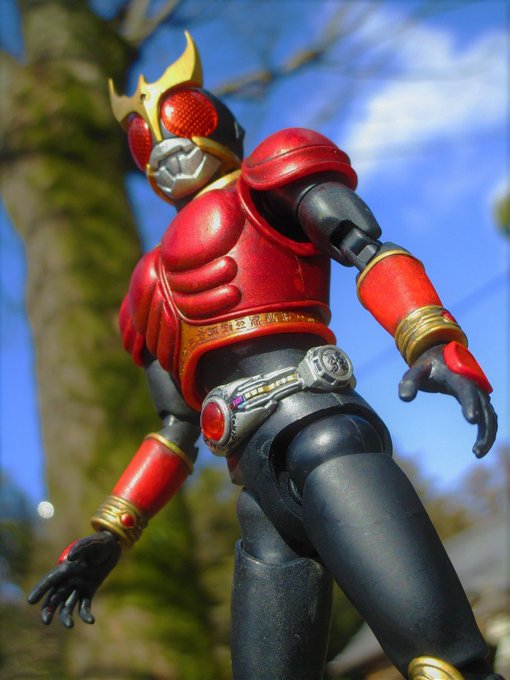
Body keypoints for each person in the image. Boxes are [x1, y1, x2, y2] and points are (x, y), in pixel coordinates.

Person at [29, 33, 500, 680]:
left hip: (321, 432)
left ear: (224, 125)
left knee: (444, 664)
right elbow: (175, 428)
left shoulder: (265, 187)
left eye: (184, 118)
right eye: (145, 142)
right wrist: (113, 532)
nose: (165, 147)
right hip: (259, 500)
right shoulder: (148, 285)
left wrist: (432, 340)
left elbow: (368, 251)